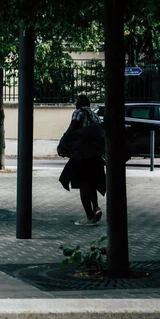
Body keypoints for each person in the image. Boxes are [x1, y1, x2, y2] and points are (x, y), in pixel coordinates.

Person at [59, 94, 106, 226]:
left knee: (82, 184)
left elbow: (71, 129)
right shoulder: (95, 116)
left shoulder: (78, 113)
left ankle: (89, 217)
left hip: (81, 155)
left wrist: (63, 142)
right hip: (95, 156)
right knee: (92, 183)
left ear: (78, 104)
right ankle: (96, 207)